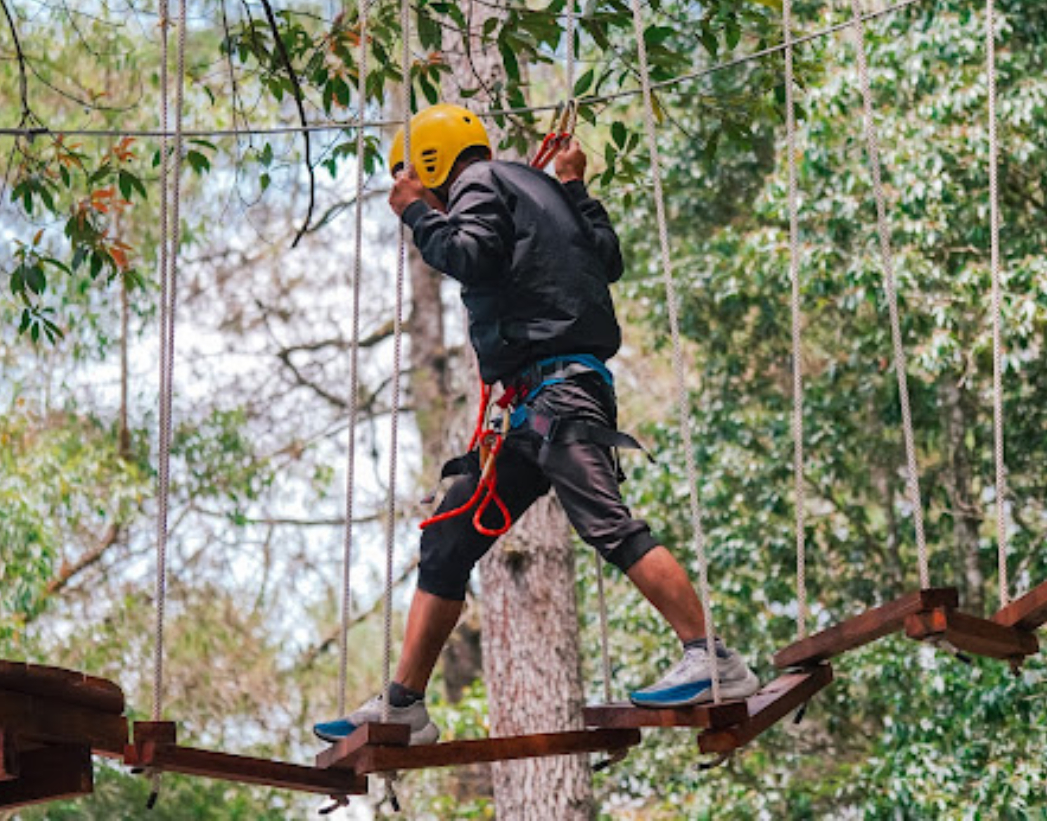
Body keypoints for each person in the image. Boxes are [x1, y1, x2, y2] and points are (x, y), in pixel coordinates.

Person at [314, 104, 757, 746]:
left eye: (420, 178)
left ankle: (711, 655)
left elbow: (468, 253)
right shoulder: (546, 189)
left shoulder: (477, 184)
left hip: (559, 397)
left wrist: (416, 211)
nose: (428, 193)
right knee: (448, 539)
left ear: (433, 162)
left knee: (606, 520)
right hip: (536, 407)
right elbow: (607, 257)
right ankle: (404, 705)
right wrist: (576, 186)